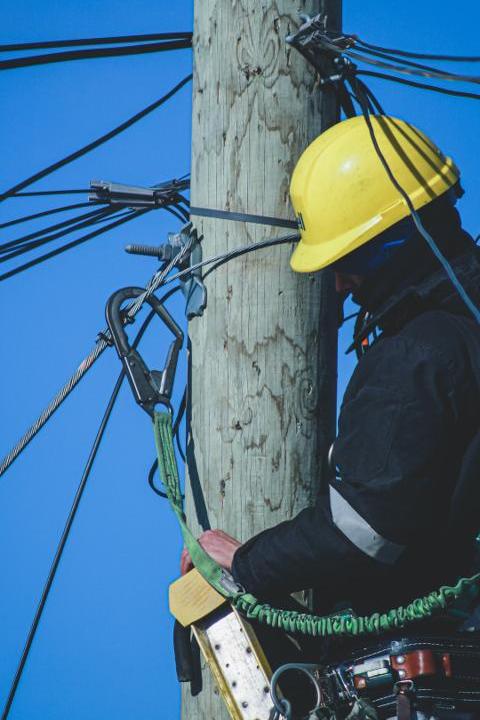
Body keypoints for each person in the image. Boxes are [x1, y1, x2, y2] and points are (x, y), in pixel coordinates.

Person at [181, 115, 480, 621]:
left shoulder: (417, 354)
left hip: (441, 649)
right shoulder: (463, 327)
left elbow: (364, 529)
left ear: (389, 246)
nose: (340, 286)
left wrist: (247, 563)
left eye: (346, 263)